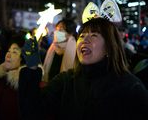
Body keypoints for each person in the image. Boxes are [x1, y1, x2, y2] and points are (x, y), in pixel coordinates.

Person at [19, 17, 148, 120]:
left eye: (94, 35)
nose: (84, 40)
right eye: (81, 35)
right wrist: (31, 68)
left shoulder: (130, 87)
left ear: (110, 47)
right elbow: (32, 112)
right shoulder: (66, 81)